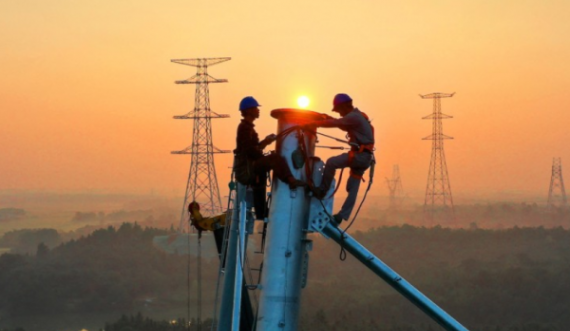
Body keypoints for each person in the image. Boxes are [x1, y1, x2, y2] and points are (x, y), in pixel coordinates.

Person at [302, 93, 375, 225]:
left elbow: (337, 123)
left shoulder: (354, 117)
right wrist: (326, 118)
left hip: (359, 156)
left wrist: (313, 123)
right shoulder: (357, 117)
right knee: (353, 188)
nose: (340, 114)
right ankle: (341, 216)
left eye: (339, 111)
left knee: (331, 162)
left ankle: (322, 191)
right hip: (365, 157)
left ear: (344, 107)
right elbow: (342, 124)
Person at [233, 96, 305, 217]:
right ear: (249, 110)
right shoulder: (244, 128)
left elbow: (252, 148)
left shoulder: (247, 128)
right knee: (275, 159)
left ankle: (262, 212)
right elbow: (249, 151)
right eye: (255, 108)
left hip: (249, 166)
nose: (258, 110)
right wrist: (264, 156)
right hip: (247, 168)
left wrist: (266, 142)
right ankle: (291, 180)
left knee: (260, 181)